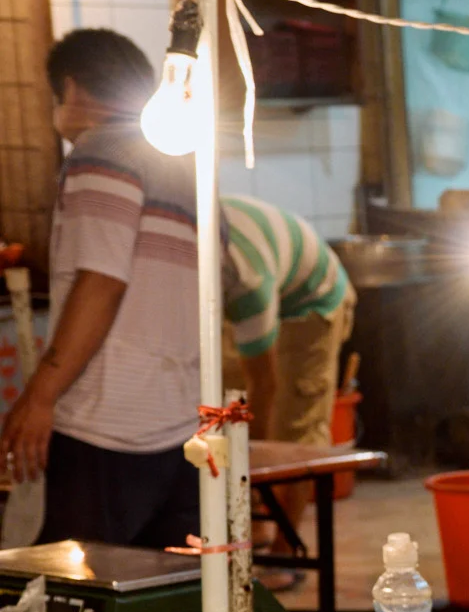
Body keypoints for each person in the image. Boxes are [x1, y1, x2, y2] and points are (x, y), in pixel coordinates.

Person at [0, 29, 202, 547]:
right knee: (161, 607)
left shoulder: (101, 154)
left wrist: (40, 397)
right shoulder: (188, 173)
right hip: (181, 429)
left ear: (70, 89)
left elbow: (102, 281)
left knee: (68, 605)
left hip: (102, 426)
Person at [222, 193, 355, 546]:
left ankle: (286, 547)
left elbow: (264, 385)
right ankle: (255, 527)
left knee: (297, 427)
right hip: (260, 277)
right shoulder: (183, 254)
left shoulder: (245, 280)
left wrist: (252, 457)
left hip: (312, 301)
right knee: (227, 412)